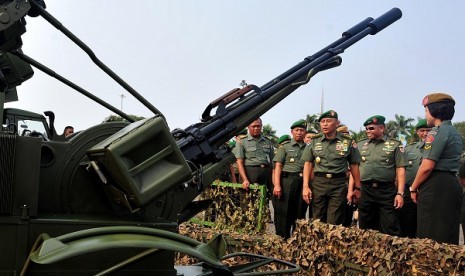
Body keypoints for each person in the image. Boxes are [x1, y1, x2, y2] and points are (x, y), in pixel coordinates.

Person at [410, 93, 463, 244]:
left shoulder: (437, 132)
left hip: (436, 186)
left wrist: (413, 188)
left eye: (426, 110)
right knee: (447, 234)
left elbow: (427, 167)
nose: (425, 114)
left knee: (430, 236)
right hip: (451, 183)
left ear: (434, 110)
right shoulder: (454, 132)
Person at [301, 110, 362, 225]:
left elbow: (354, 165)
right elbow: (308, 164)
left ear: (337, 123)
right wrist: (305, 186)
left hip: (338, 184)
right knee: (317, 219)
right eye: (322, 121)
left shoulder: (347, 142)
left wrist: (358, 188)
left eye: (328, 121)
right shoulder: (314, 141)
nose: (324, 124)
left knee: (334, 221)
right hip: (319, 183)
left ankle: (330, 243)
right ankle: (317, 243)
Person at [353, 115, 406, 236]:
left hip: (386, 191)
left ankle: (390, 254)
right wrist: (355, 189)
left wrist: (400, 193)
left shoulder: (395, 145)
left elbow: (400, 169)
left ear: (381, 128)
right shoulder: (360, 145)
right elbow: (354, 168)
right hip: (365, 189)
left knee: (390, 226)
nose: (368, 131)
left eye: (371, 128)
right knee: (365, 227)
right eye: (366, 128)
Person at [273, 120, 307, 238]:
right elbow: (278, 166)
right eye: (296, 130)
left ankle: (296, 241)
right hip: (287, 181)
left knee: (299, 212)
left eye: (302, 130)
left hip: (302, 182)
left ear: (305, 132)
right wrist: (277, 185)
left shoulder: (309, 148)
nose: (299, 133)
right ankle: (282, 239)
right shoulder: (285, 147)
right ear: (292, 132)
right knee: (284, 212)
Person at [399, 119, 431, 238]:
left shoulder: (438, 147)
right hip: (409, 191)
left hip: (427, 189)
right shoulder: (409, 149)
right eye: (422, 130)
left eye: (429, 130)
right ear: (417, 132)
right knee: (407, 222)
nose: (426, 133)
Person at [235, 118, 274, 194]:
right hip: (250, 173)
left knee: (263, 200)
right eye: (253, 126)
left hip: (265, 173)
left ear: (261, 126)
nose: (256, 128)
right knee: (248, 201)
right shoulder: (242, 141)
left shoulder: (267, 141)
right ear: (248, 127)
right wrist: (245, 179)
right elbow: (239, 162)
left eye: (258, 126)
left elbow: (272, 161)